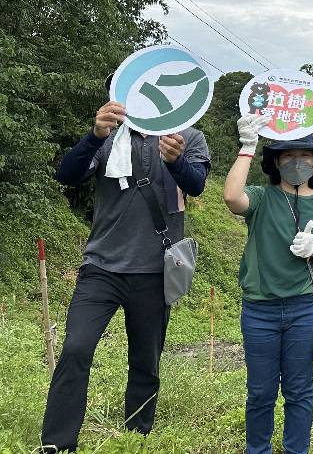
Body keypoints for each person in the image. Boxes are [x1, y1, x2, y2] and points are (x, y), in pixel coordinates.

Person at [41, 98, 211, 452]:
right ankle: (57, 443)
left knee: (146, 362)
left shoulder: (188, 136)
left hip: (154, 271)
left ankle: (136, 439)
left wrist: (176, 161)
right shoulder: (109, 136)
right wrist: (93, 135)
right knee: (75, 348)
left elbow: (196, 185)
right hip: (101, 266)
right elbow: (67, 175)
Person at [223, 115, 313, 454]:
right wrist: (247, 147)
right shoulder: (261, 198)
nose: (297, 162)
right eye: (288, 156)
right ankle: (257, 449)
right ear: (276, 161)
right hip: (259, 308)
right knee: (260, 392)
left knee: (299, 390)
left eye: (305, 155)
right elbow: (232, 198)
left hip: (305, 307)